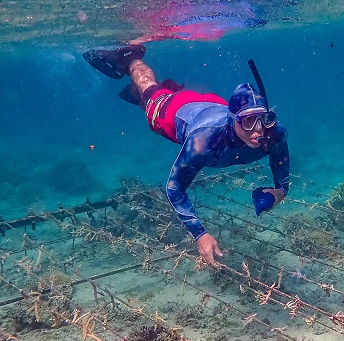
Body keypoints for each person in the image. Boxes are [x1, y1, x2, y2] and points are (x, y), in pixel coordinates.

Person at [83, 44, 291, 265]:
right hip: (173, 112)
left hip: (210, 104)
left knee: (163, 91)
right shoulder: (203, 142)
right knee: (151, 91)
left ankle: (163, 89)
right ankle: (130, 59)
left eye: (264, 119)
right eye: (249, 121)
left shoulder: (274, 133)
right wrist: (199, 233)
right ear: (234, 119)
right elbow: (174, 189)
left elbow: (282, 173)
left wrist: (279, 193)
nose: (259, 130)